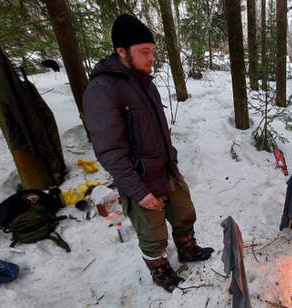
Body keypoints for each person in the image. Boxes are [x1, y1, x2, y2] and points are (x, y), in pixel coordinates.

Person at [82, 14, 213, 293]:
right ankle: (161, 272)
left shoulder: (145, 83)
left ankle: (187, 250)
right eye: (144, 52)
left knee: (185, 214)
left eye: (152, 51)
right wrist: (138, 192)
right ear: (121, 52)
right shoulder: (101, 91)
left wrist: (172, 161)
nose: (151, 57)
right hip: (141, 183)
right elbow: (110, 151)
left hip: (166, 172)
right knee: (153, 236)